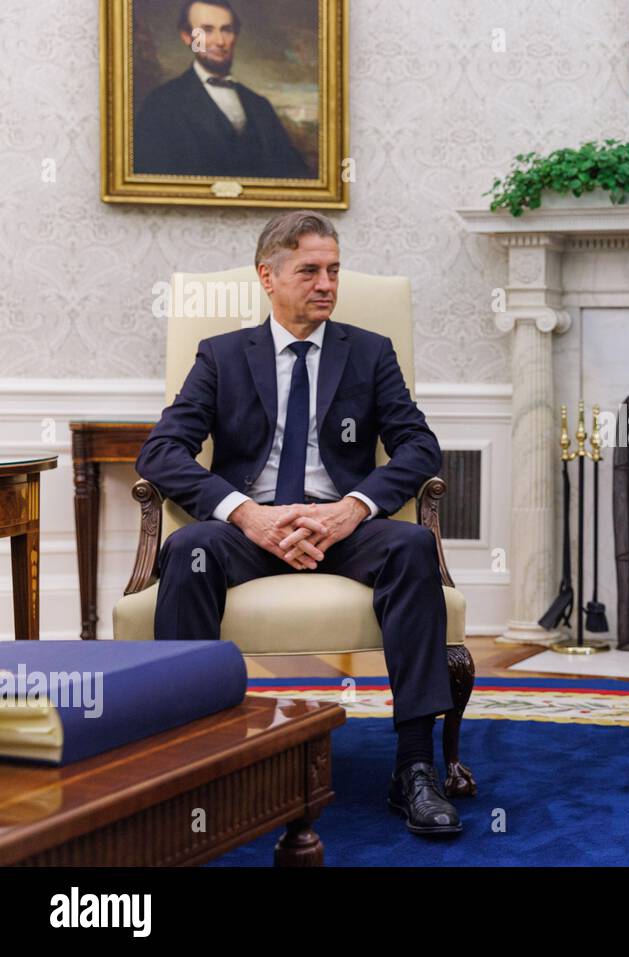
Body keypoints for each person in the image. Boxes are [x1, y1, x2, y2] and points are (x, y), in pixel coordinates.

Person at [136, 210, 460, 837]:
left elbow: (419, 446)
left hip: (343, 527)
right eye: (310, 270)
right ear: (269, 276)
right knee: (188, 550)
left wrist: (352, 508)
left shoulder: (368, 352)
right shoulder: (223, 356)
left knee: (413, 546)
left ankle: (416, 769)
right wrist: (244, 512)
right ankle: (197, 766)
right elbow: (162, 452)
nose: (326, 284)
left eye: (333, 270)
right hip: (249, 529)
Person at [134, 1, 311, 179]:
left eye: (226, 30)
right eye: (207, 30)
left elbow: (296, 176)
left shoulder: (260, 106)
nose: (220, 41)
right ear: (187, 37)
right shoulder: (161, 103)